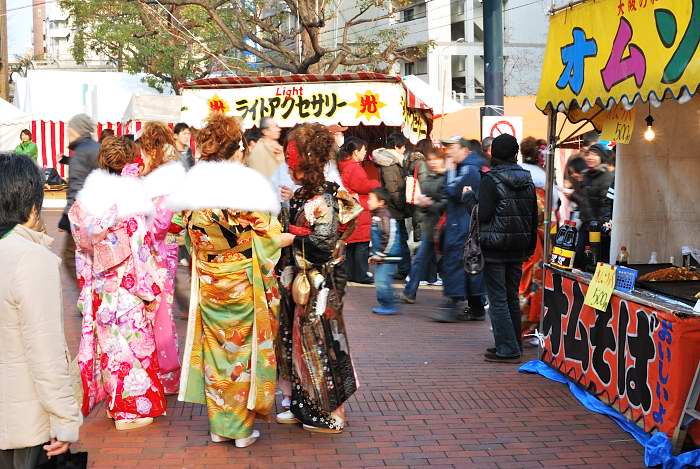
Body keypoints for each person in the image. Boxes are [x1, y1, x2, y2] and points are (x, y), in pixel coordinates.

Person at [170, 113, 288, 447]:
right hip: (241, 282)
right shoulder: (244, 186)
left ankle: (219, 426)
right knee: (241, 353)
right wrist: (284, 239)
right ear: (234, 149)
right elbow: (267, 235)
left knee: (217, 352)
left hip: (209, 281)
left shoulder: (193, 184)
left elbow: (177, 226)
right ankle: (239, 429)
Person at [69, 136, 168, 431]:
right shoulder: (130, 204)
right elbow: (141, 252)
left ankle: (116, 405)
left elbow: (82, 248)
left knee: (113, 349)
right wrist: (150, 288)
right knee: (134, 350)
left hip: (102, 287)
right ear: (129, 164)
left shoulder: (85, 202)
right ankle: (130, 411)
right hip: (128, 287)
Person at [275, 123, 361, 433]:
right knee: (297, 341)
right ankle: (304, 404)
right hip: (299, 280)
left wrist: (291, 238)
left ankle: (332, 411)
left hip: (320, 282)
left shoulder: (326, 198)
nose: (288, 161)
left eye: (291, 156)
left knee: (320, 342)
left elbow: (323, 245)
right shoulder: (305, 195)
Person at [0, 153, 81, 469]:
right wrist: (65, 419)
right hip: (27, 424)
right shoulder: (31, 260)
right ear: (32, 206)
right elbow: (45, 351)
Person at [478, 134, 538, 363]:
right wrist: (530, 245)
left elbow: (483, 214)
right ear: (515, 154)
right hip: (518, 246)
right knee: (511, 295)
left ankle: (507, 348)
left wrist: (470, 201)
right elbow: (533, 215)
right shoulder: (527, 179)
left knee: (498, 298)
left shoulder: (490, 180)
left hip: (494, 246)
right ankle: (515, 343)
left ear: (493, 153)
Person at [137, 122, 183, 395]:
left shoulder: (163, 180)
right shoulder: (166, 175)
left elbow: (161, 222)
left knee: (160, 311)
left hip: (159, 250)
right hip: (160, 250)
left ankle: (166, 374)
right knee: (158, 310)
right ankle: (162, 371)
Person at [433, 136, 487, 323]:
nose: (448, 151)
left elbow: (453, 191)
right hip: (462, 224)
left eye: (452, 147)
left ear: (465, 150)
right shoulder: (467, 167)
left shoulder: (468, 169)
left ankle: (455, 303)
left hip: (462, 226)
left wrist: (448, 173)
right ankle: (476, 307)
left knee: (458, 263)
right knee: (469, 266)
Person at [58, 114, 100, 282]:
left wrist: (65, 218)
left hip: (81, 213)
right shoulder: (95, 147)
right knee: (94, 255)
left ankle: (86, 298)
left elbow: (76, 185)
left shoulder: (81, 151)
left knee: (69, 256)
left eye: (70, 127)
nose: (68, 131)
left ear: (76, 129)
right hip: (98, 212)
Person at [402, 148, 447, 303]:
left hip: (445, 227)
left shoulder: (448, 177)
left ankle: (473, 299)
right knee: (420, 259)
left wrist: (430, 203)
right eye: (430, 159)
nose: (433, 162)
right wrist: (423, 203)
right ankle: (410, 292)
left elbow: (448, 202)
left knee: (451, 263)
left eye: (436, 159)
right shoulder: (430, 176)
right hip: (431, 226)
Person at [338, 137, 380, 284]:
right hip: (359, 209)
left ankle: (350, 273)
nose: (365, 152)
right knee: (361, 244)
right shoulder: (354, 167)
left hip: (352, 208)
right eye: (364, 150)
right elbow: (363, 185)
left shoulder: (345, 165)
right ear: (356, 152)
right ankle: (361, 274)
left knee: (352, 245)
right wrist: (375, 183)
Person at [372, 132, 411, 279]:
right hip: (394, 208)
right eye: (403, 147)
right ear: (396, 146)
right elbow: (392, 188)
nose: (404, 150)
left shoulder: (391, 161)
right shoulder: (390, 163)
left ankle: (403, 268)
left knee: (398, 238)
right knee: (399, 239)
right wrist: (401, 205)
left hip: (394, 207)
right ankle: (403, 269)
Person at [574, 144, 615, 267]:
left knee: (596, 259)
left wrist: (602, 225)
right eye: (589, 154)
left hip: (598, 227)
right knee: (580, 257)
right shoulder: (586, 175)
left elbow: (606, 205)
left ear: (601, 158)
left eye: (595, 154)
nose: (590, 157)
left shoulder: (607, 177)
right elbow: (584, 200)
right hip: (585, 224)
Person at [368, 188, 402, 315]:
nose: (368, 202)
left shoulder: (384, 216)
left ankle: (388, 304)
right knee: (381, 280)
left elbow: (388, 236)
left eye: (371, 199)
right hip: (384, 255)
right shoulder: (378, 215)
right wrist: (374, 254)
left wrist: (381, 254)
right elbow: (378, 240)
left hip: (388, 256)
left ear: (381, 202)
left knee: (382, 281)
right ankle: (389, 300)